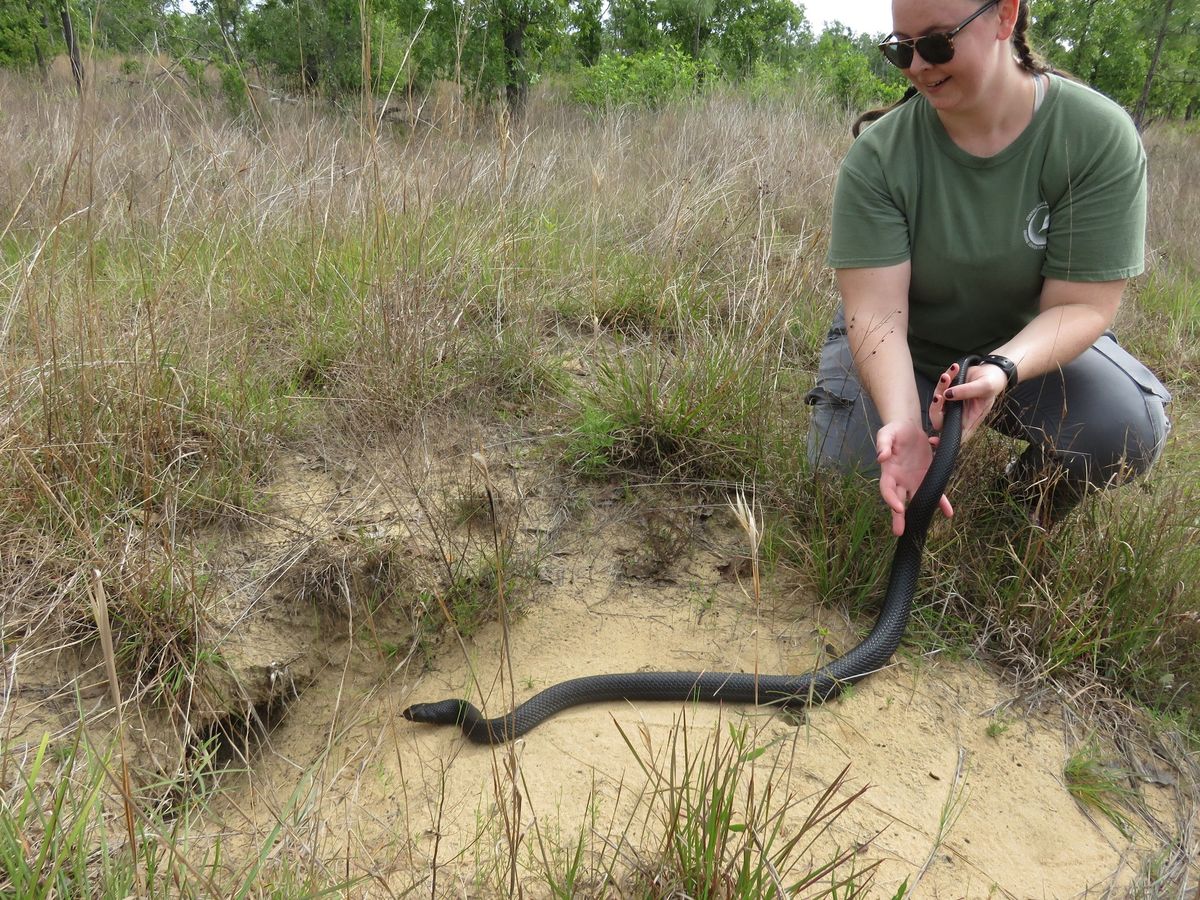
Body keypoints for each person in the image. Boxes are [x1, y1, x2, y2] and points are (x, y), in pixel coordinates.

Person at [806, 0, 1172, 536]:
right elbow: (877, 311)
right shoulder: (880, 156)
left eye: (937, 43)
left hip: (1027, 353)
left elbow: (1081, 306)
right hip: (908, 348)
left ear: (1005, 17)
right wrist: (905, 424)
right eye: (900, 49)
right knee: (846, 489)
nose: (918, 66)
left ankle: (1017, 508)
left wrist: (1002, 369)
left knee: (1126, 427)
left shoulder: (1095, 136)